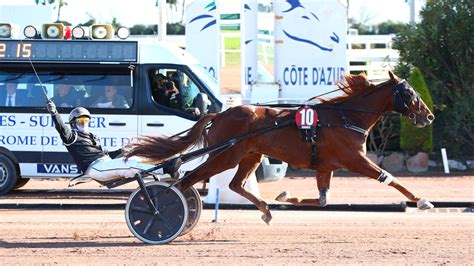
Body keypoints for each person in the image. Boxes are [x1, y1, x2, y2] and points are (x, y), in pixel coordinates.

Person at [46, 101, 180, 183]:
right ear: (73, 123)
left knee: (134, 156)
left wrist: (124, 150)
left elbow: (107, 155)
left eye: (86, 121)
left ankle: (164, 165)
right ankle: (165, 170)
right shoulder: (71, 137)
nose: (84, 123)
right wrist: (54, 113)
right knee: (130, 165)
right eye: (81, 121)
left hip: (105, 162)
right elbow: (61, 128)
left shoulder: (92, 136)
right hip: (94, 168)